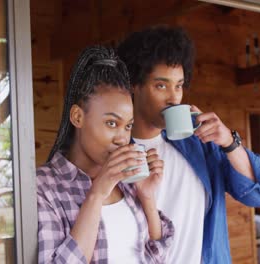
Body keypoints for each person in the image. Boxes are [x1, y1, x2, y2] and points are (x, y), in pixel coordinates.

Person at [117, 26, 260, 263]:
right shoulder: (115, 152)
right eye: (161, 85)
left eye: (178, 85)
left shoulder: (200, 142)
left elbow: (258, 195)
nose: (173, 97)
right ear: (133, 86)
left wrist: (229, 142)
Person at [37, 45, 174, 264]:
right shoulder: (43, 187)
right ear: (77, 117)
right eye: (112, 123)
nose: (122, 138)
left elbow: (159, 257)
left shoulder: (126, 183)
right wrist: (96, 194)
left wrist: (147, 197)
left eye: (128, 126)